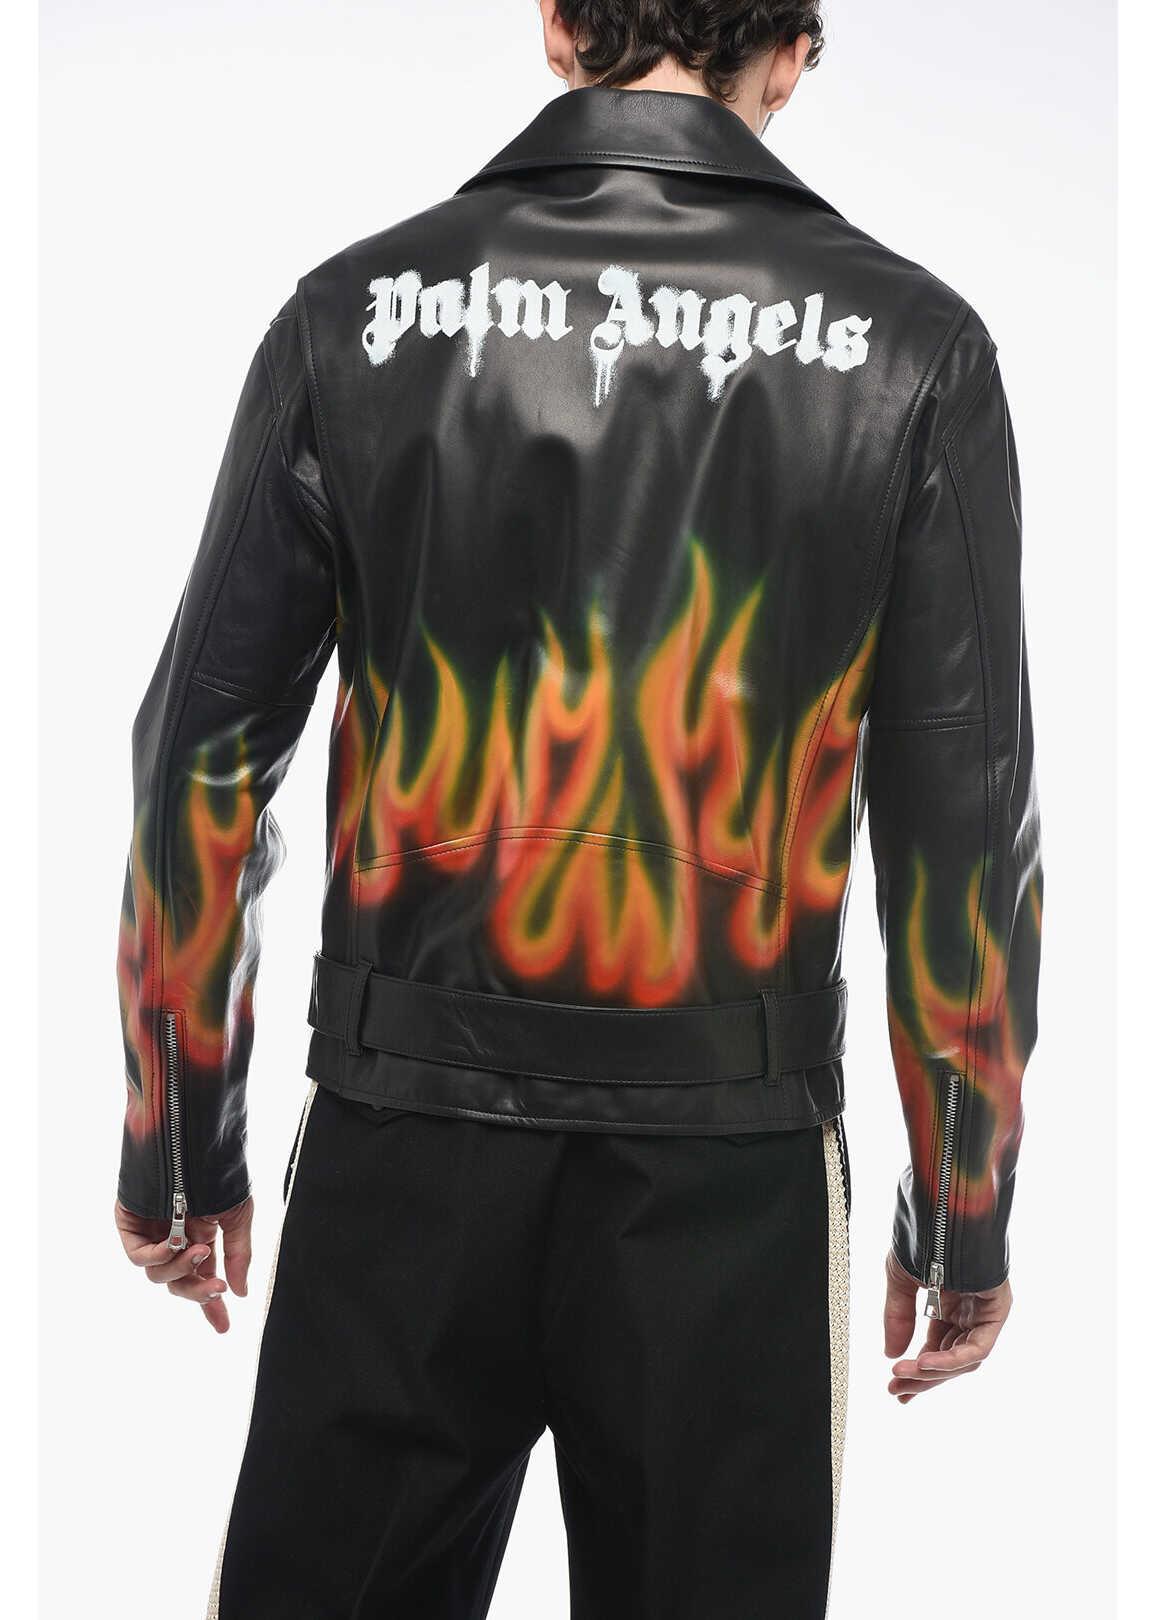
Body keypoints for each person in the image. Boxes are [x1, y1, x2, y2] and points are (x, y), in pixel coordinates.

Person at [113, 4, 1043, 1615]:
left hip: (404, 1144)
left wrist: (178, 1138)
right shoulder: (915, 348)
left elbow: (199, 751)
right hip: (727, 1177)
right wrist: (958, 1204)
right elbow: (965, 823)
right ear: (792, 49)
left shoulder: (353, 315)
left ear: (556, 25)